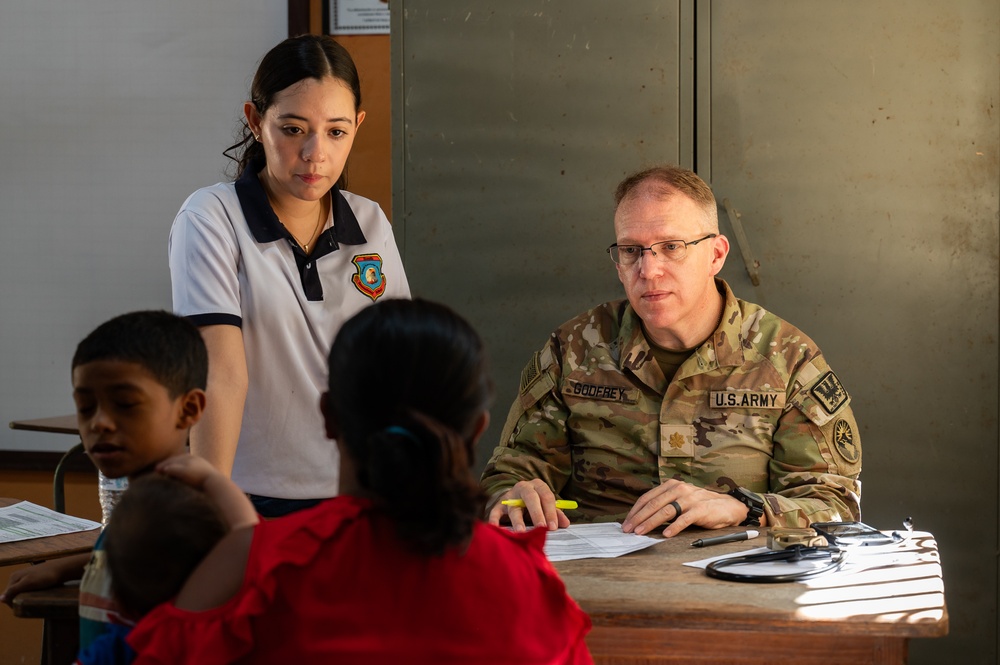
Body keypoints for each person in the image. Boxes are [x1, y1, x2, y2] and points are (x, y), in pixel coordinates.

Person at [127, 299, 593, 664]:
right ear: (476, 430)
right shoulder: (527, 583)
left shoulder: (261, 564)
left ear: (328, 417)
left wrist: (239, 535)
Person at [481, 165, 862, 538]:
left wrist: (745, 508)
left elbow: (834, 502)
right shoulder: (575, 350)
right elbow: (514, 470)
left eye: (671, 247)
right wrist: (512, 492)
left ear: (716, 254)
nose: (648, 270)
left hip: (738, 580)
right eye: (631, 250)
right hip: (596, 580)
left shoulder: (787, 359)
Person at [170, 34, 410, 517]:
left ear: (358, 127)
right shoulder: (212, 217)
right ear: (256, 121)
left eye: (336, 132)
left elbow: (399, 366)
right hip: (253, 498)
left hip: (362, 494)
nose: (315, 153)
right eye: (294, 129)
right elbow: (221, 372)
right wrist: (213, 509)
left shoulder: (370, 222)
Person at [0, 311, 210, 657]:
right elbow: (126, 555)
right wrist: (65, 566)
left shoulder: (186, 517)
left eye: (125, 405)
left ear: (188, 409)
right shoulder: (145, 502)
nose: (99, 423)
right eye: (85, 407)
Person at [78, 458, 259, 665]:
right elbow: (247, 540)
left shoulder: (113, 651)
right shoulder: (223, 638)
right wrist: (213, 479)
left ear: (116, 598)